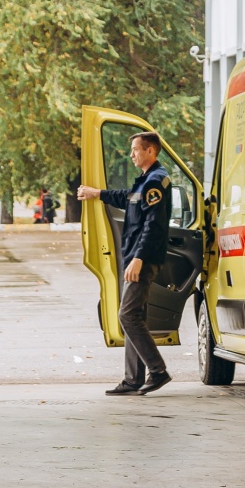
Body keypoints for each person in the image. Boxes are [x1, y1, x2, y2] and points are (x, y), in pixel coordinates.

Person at [77, 131, 173, 396]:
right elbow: (125, 198)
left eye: (135, 149)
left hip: (142, 259)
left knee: (126, 315)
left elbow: (153, 226)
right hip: (134, 256)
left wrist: (139, 259)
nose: (131, 154)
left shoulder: (155, 182)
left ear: (150, 151)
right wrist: (97, 193)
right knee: (136, 316)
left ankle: (158, 371)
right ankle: (133, 380)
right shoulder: (144, 182)